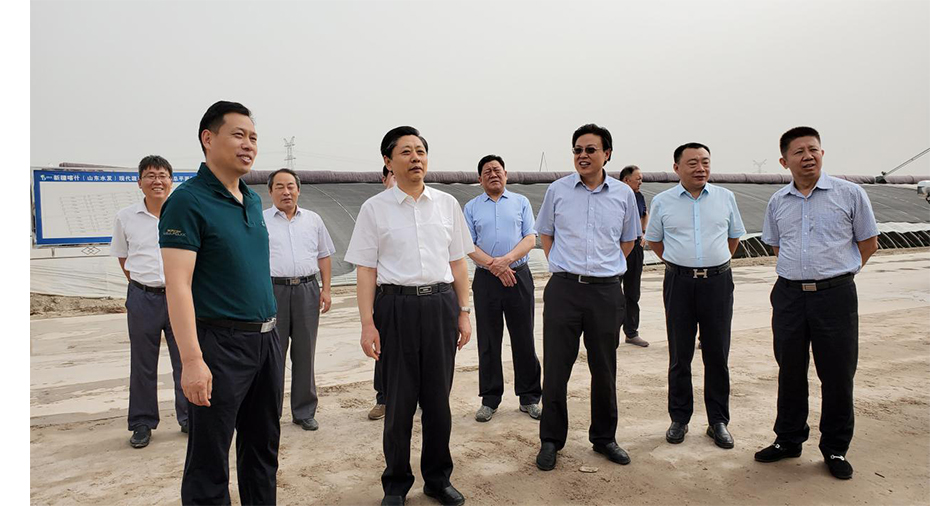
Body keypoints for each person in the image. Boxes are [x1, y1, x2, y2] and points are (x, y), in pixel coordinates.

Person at [160, 101, 282, 504]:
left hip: (266, 340)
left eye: (254, 138)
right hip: (220, 344)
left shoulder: (251, 199)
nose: (249, 145)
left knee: (262, 449)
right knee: (210, 461)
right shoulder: (188, 201)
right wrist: (192, 360)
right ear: (208, 139)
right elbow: (178, 286)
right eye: (238, 135)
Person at [345, 126, 473, 506]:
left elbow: (458, 262)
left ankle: (437, 479)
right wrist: (367, 323)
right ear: (388, 161)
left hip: (440, 305)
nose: (415, 158)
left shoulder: (447, 204)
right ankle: (396, 485)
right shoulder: (374, 209)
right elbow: (366, 270)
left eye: (420, 151)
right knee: (398, 403)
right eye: (406, 152)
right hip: (395, 308)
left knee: (438, 402)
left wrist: (464, 311)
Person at [755, 126, 878, 480]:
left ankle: (835, 448)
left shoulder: (849, 193)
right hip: (789, 295)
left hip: (835, 296)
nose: (808, 157)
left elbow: (868, 243)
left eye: (813, 149)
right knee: (790, 370)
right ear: (784, 161)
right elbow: (777, 246)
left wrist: (838, 276)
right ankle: (788, 439)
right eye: (799, 152)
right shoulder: (778, 201)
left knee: (837, 373)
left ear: (822, 153)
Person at [534, 123, 641, 472]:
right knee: (556, 369)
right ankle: (551, 440)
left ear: (606, 154)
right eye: (577, 150)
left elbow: (628, 241)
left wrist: (602, 269)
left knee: (604, 369)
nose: (583, 155)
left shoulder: (623, 194)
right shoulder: (558, 190)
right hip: (564, 290)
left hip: (606, 293)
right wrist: (564, 266)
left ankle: (604, 438)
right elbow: (546, 234)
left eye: (590, 149)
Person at [645, 143, 746, 449]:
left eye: (705, 162)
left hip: (718, 283)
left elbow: (733, 238)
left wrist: (713, 264)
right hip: (679, 283)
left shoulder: (725, 197)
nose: (700, 168)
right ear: (677, 168)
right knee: (680, 354)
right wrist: (681, 263)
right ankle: (679, 418)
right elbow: (655, 241)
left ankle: (718, 421)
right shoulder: (663, 201)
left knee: (717, 353)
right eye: (692, 163)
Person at [110, 155, 188, 448]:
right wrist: (142, 285)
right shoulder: (126, 217)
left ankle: (189, 417)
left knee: (186, 359)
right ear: (139, 182)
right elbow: (123, 257)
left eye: (162, 175)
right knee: (143, 362)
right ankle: (142, 422)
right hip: (143, 297)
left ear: (171, 180)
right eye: (150, 176)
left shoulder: (183, 213)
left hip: (180, 296)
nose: (157, 181)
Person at [463, 154, 542, 423]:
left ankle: (530, 397)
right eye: (487, 172)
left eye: (497, 170)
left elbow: (530, 238)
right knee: (488, 340)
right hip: (486, 280)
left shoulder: (521, 202)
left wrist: (506, 261)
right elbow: (468, 245)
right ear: (479, 179)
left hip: (518, 277)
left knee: (524, 338)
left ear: (505, 175)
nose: (493, 175)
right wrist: (494, 266)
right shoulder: (471, 207)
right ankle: (490, 399)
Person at [265, 168, 335, 431]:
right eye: (280, 187)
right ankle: (270, 412)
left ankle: (304, 411)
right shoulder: (261, 221)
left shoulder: (313, 220)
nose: (286, 192)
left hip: (307, 289)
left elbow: (324, 255)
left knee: (305, 352)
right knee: (273, 353)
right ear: (270, 191)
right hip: (273, 291)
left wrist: (326, 289)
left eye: (290, 186)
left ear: (298, 190)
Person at [368, 164, 395, 421]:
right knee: (384, 346)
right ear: (384, 178)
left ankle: (420, 397)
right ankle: (383, 398)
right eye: (392, 175)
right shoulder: (375, 209)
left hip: (420, 295)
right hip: (386, 292)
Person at [618, 165, 650, 348]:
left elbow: (645, 213)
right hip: (618, 248)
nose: (640, 182)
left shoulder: (639, 196)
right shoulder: (615, 196)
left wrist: (643, 232)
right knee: (613, 290)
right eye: (638, 179)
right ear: (626, 180)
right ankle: (610, 331)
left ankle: (631, 332)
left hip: (635, 246)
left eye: (641, 179)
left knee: (632, 291)